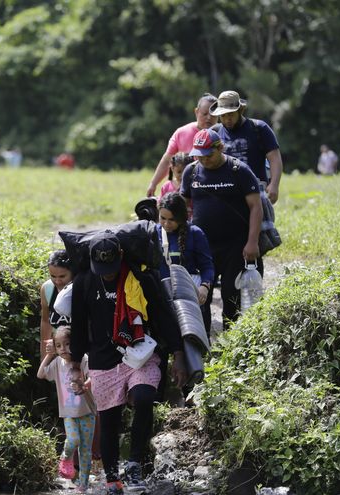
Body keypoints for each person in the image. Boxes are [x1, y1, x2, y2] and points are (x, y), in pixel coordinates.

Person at [69, 233, 188, 495]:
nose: (108, 275)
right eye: (102, 270)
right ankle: (112, 477)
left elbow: (163, 315)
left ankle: (134, 463)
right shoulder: (84, 282)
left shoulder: (141, 279)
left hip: (139, 353)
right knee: (109, 421)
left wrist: (179, 354)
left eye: (111, 269)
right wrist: (76, 365)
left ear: (120, 257)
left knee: (144, 397)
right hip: (102, 359)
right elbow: (78, 326)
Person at [181, 128, 262, 330]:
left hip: (235, 246)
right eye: (200, 156)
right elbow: (181, 208)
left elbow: (256, 207)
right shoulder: (190, 172)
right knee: (200, 296)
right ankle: (203, 345)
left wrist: (252, 242)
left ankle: (231, 344)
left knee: (230, 295)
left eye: (208, 155)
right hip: (202, 247)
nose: (204, 160)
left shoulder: (239, 170)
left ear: (220, 147)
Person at [37, 326, 96, 493]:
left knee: (85, 450)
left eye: (68, 344)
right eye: (59, 345)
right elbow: (41, 374)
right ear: (55, 348)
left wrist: (85, 384)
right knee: (73, 440)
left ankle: (83, 484)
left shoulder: (83, 359)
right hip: (68, 414)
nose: (64, 349)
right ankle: (65, 458)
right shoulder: (56, 363)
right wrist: (49, 355)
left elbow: (93, 375)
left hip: (87, 412)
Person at [209, 90, 283, 204]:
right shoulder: (214, 133)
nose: (227, 119)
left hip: (257, 192)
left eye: (231, 114)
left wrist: (274, 185)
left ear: (240, 111)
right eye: (223, 115)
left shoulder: (259, 128)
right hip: (225, 194)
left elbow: (275, 159)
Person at [156, 192, 214, 332]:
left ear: (181, 218)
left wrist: (204, 287)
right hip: (164, 296)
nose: (166, 224)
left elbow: (207, 266)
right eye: (162, 218)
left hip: (190, 294)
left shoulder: (195, 233)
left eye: (171, 220)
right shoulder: (154, 232)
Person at [146, 93, 218, 197]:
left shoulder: (222, 135)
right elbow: (167, 161)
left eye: (213, 114)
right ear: (196, 112)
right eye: (204, 114)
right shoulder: (181, 133)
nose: (209, 118)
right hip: (183, 192)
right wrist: (153, 183)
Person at [40, 250, 74, 361]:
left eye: (62, 276)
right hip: (60, 356)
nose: (58, 281)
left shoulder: (82, 288)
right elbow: (45, 321)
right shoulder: (47, 289)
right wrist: (44, 355)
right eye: (53, 276)